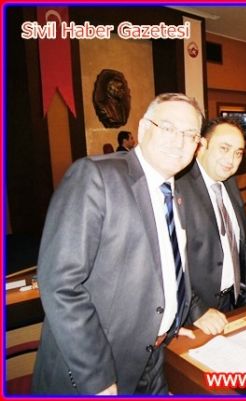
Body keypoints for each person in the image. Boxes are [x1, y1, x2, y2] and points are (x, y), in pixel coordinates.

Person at [32, 93, 203, 395]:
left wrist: (172, 323)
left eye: (190, 135)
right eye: (168, 128)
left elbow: (164, 267)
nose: (179, 141)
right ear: (143, 128)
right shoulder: (96, 176)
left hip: (153, 357)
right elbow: (60, 283)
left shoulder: (176, 192)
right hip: (97, 368)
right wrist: (97, 376)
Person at [177, 117, 246, 336]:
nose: (231, 159)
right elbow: (168, 259)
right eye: (224, 148)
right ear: (201, 146)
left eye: (238, 153)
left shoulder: (229, 182)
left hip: (236, 300)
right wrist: (196, 309)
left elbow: (245, 239)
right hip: (197, 315)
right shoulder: (178, 186)